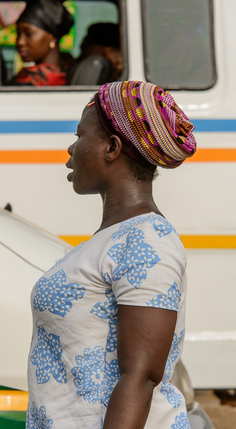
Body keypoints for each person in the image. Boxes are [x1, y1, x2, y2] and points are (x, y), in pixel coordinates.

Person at [26, 81, 197, 428]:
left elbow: (141, 378)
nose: (71, 148)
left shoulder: (149, 242)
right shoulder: (114, 238)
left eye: (80, 135)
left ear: (112, 147)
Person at [9, 0, 74, 86]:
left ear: (52, 37)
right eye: (18, 34)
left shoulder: (33, 79)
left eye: (29, 34)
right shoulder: (67, 70)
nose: (20, 42)